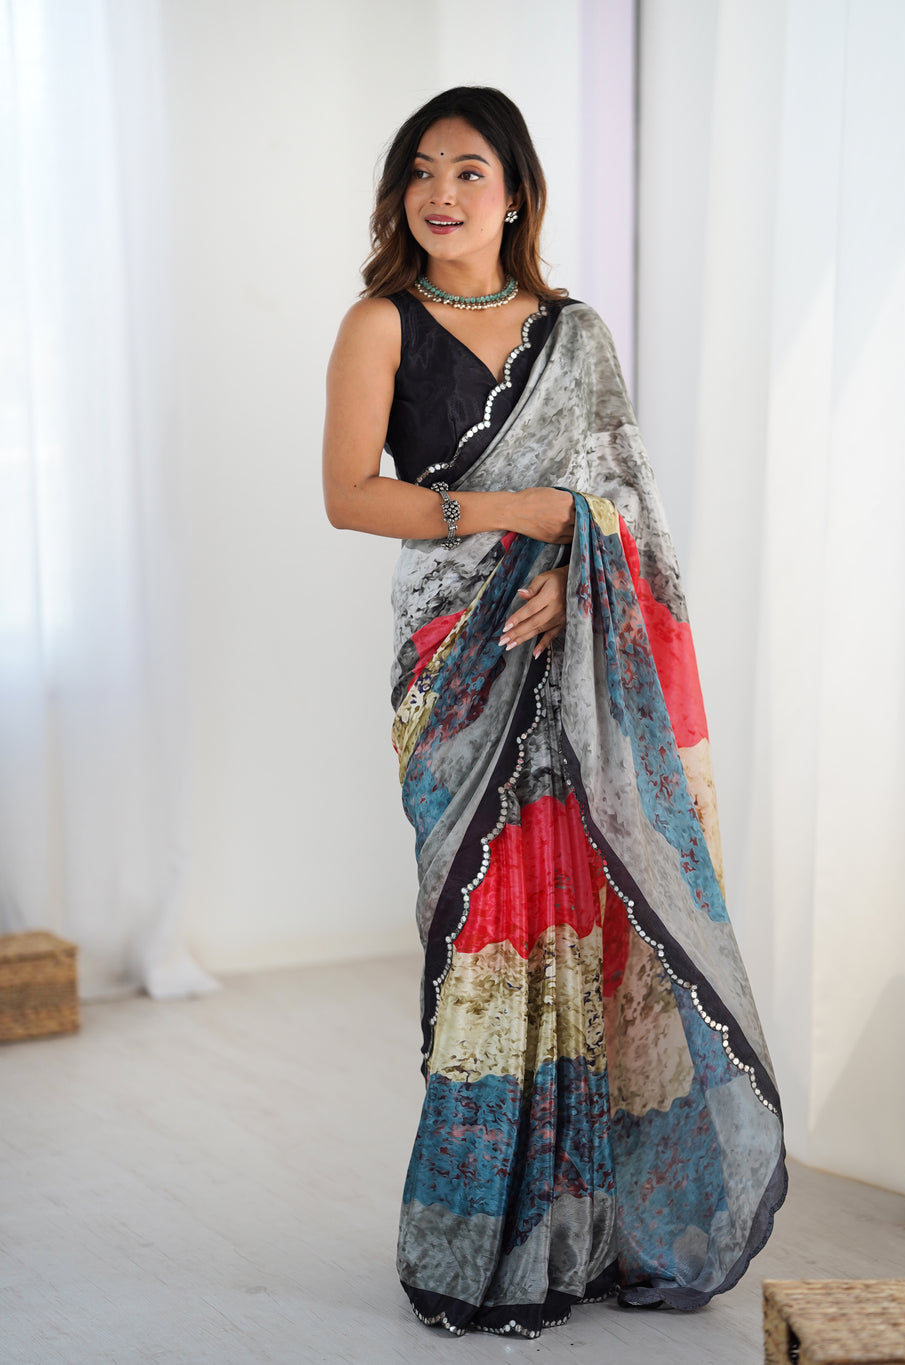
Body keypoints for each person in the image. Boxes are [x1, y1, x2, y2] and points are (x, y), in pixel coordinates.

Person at [322, 86, 786, 1340]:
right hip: (454, 665)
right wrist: (517, 519)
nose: (441, 194)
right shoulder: (381, 323)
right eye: (421, 171)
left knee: (582, 942)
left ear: (515, 192)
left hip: (573, 656)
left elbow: (622, 503)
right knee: (488, 947)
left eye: (469, 171)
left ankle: (579, 1232)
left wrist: (574, 547)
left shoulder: (575, 335)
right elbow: (351, 497)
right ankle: (477, 1238)